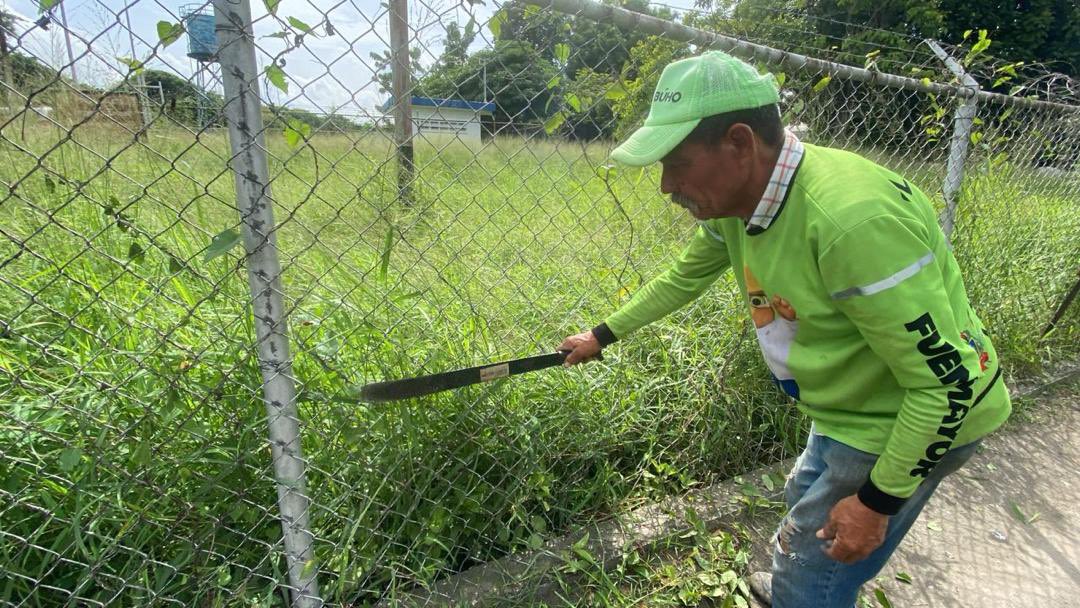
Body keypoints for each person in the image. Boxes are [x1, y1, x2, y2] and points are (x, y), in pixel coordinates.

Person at [558, 51, 1011, 608]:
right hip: (853, 406)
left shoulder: (851, 223)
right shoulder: (744, 204)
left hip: (905, 420)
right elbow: (684, 277)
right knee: (805, 507)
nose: (665, 185)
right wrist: (602, 334)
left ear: (740, 143)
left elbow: (946, 386)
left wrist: (877, 502)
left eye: (675, 162)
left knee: (813, 572)